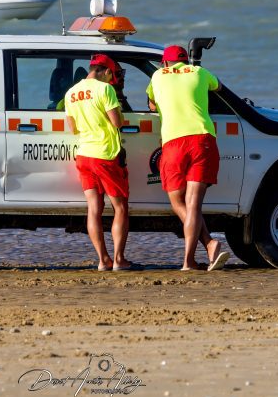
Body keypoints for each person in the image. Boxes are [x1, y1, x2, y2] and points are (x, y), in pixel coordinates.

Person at [146, 45, 230, 271]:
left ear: (165, 63)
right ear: (186, 61)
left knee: (177, 202)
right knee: (194, 204)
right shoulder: (199, 72)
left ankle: (206, 247)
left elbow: (152, 103)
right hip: (201, 139)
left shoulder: (156, 76)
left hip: (173, 142)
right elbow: (219, 87)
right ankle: (194, 257)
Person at [65, 54, 136, 271]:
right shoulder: (105, 90)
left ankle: (102, 260)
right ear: (105, 71)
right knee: (120, 207)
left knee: (94, 209)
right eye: (112, 75)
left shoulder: (70, 93)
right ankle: (119, 259)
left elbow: (74, 128)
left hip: (84, 155)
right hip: (105, 154)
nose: (112, 79)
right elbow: (117, 122)